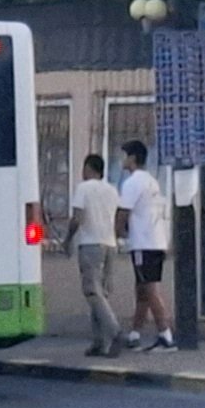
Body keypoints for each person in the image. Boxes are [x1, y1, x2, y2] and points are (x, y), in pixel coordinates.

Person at [115, 139, 174, 351]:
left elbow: (123, 212)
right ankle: (135, 333)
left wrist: (118, 233)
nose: (122, 160)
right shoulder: (152, 181)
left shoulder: (132, 182)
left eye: (124, 155)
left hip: (142, 243)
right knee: (141, 289)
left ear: (132, 158)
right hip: (156, 241)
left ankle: (165, 335)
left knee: (149, 289)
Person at [66, 152, 123, 356]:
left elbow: (78, 218)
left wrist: (68, 238)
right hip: (110, 243)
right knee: (102, 293)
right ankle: (100, 342)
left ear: (89, 168)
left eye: (84, 168)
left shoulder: (84, 188)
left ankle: (115, 331)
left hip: (91, 244)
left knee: (93, 292)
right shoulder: (112, 190)